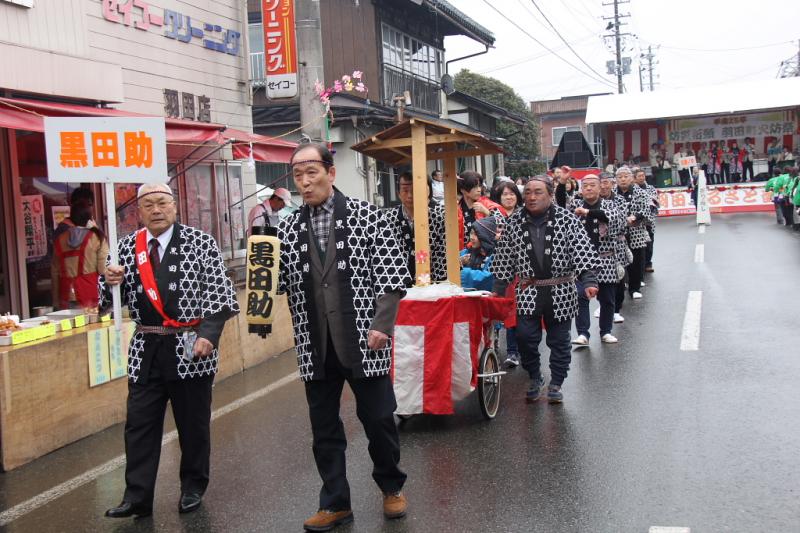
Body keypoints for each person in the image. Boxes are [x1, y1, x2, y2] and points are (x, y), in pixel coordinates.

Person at [276, 144, 410, 531]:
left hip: (365, 339)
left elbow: (391, 278)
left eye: (312, 172)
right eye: (298, 175)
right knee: (324, 429)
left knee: (379, 418)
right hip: (313, 342)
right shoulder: (285, 226)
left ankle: (391, 487)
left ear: (331, 173)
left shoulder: (369, 216)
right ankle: (335, 502)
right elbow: (275, 284)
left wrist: (382, 326)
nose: (304, 181)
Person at [101, 183, 239, 519]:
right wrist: (110, 282)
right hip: (146, 348)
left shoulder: (199, 242)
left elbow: (220, 294)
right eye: (148, 205)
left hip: (189, 346)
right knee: (139, 425)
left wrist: (209, 334)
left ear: (175, 206)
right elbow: (107, 305)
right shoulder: (125, 249)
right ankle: (137, 496)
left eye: (162, 202)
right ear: (139, 211)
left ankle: (193, 486)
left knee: (192, 425)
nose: (156, 210)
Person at [491, 175, 599, 404]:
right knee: (524, 337)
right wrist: (499, 289)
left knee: (559, 340)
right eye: (528, 192)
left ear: (550, 195)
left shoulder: (566, 219)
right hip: (529, 288)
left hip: (561, 288)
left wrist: (589, 281)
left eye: (538, 192)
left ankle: (557, 383)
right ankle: (535, 376)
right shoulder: (514, 222)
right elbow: (504, 258)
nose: (531, 197)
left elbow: (581, 249)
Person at [558, 174, 623, 346]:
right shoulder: (575, 204)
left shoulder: (610, 204)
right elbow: (560, 203)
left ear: (600, 187)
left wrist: (588, 213)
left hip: (605, 258)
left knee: (607, 299)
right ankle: (583, 333)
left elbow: (612, 218)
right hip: (581, 261)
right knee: (581, 297)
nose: (588, 188)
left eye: (592, 185)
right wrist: (562, 182)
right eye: (585, 185)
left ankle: (606, 331)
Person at [387, 172, 447, 283]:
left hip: (431, 283)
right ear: (398, 193)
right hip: (397, 284)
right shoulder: (387, 219)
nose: (410, 195)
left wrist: (440, 284)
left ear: (426, 192)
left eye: (414, 190)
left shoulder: (438, 218)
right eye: (405, 191)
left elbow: (442, 255)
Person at [490, 180, 523, 368]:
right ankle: (510, 351)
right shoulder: (493, 215)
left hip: (522, 271)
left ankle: (521, 349)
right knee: (505, 311)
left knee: (522, 312)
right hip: (499, 270)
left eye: (512, 194)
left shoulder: (524, 214)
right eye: (505, 194)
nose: (509, 197)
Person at [52, 204, 108, 310]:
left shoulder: (60, 239)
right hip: (91, 295)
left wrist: (55, 302)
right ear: (90, 219)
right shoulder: (96, 238)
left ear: (71, 219)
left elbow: (55, 273)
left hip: (66, 296)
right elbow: (104, 269)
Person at [615, 167, 653, 300]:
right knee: (618, 260)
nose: (623, 179)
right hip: (618, 232)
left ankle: (634, 288)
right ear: (616, 179)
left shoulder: (640, 192)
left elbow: (647, 209)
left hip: (636, 230)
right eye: (620, 177)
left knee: (636, 261)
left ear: (631, 178)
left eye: (626, 176)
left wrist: (635, 217)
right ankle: (621, 285)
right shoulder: (613, 193)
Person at [599, 173, 629, 324]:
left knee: (618, 278)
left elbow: (621, 221)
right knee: (600, 281)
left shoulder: (620, 200)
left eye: (606, 183)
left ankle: (617, 309)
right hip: (598, 247)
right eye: (601, 183)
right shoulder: (592, 201)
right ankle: (604, 306)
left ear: (612, 184)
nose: (603, 186)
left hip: (617, 243)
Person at [460, 217, 497, 291]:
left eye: (476, 234)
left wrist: (461, 271)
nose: (471, 238)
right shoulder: (465, 252)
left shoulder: (495, 255)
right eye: (471, 233)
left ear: (485, 237)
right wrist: (458, 262)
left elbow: (488, 278)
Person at [634, 168, 659, 273]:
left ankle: (648, 263)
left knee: (649, 243)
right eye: (639, 176)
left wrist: (646, 212)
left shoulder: (651, 188)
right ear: (635, 178)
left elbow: (654, 202)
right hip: (637, 222)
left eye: (642, 176)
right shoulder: (633, 189)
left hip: (649, 221)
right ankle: (639, 265)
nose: (641, 178)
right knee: (639, 245)